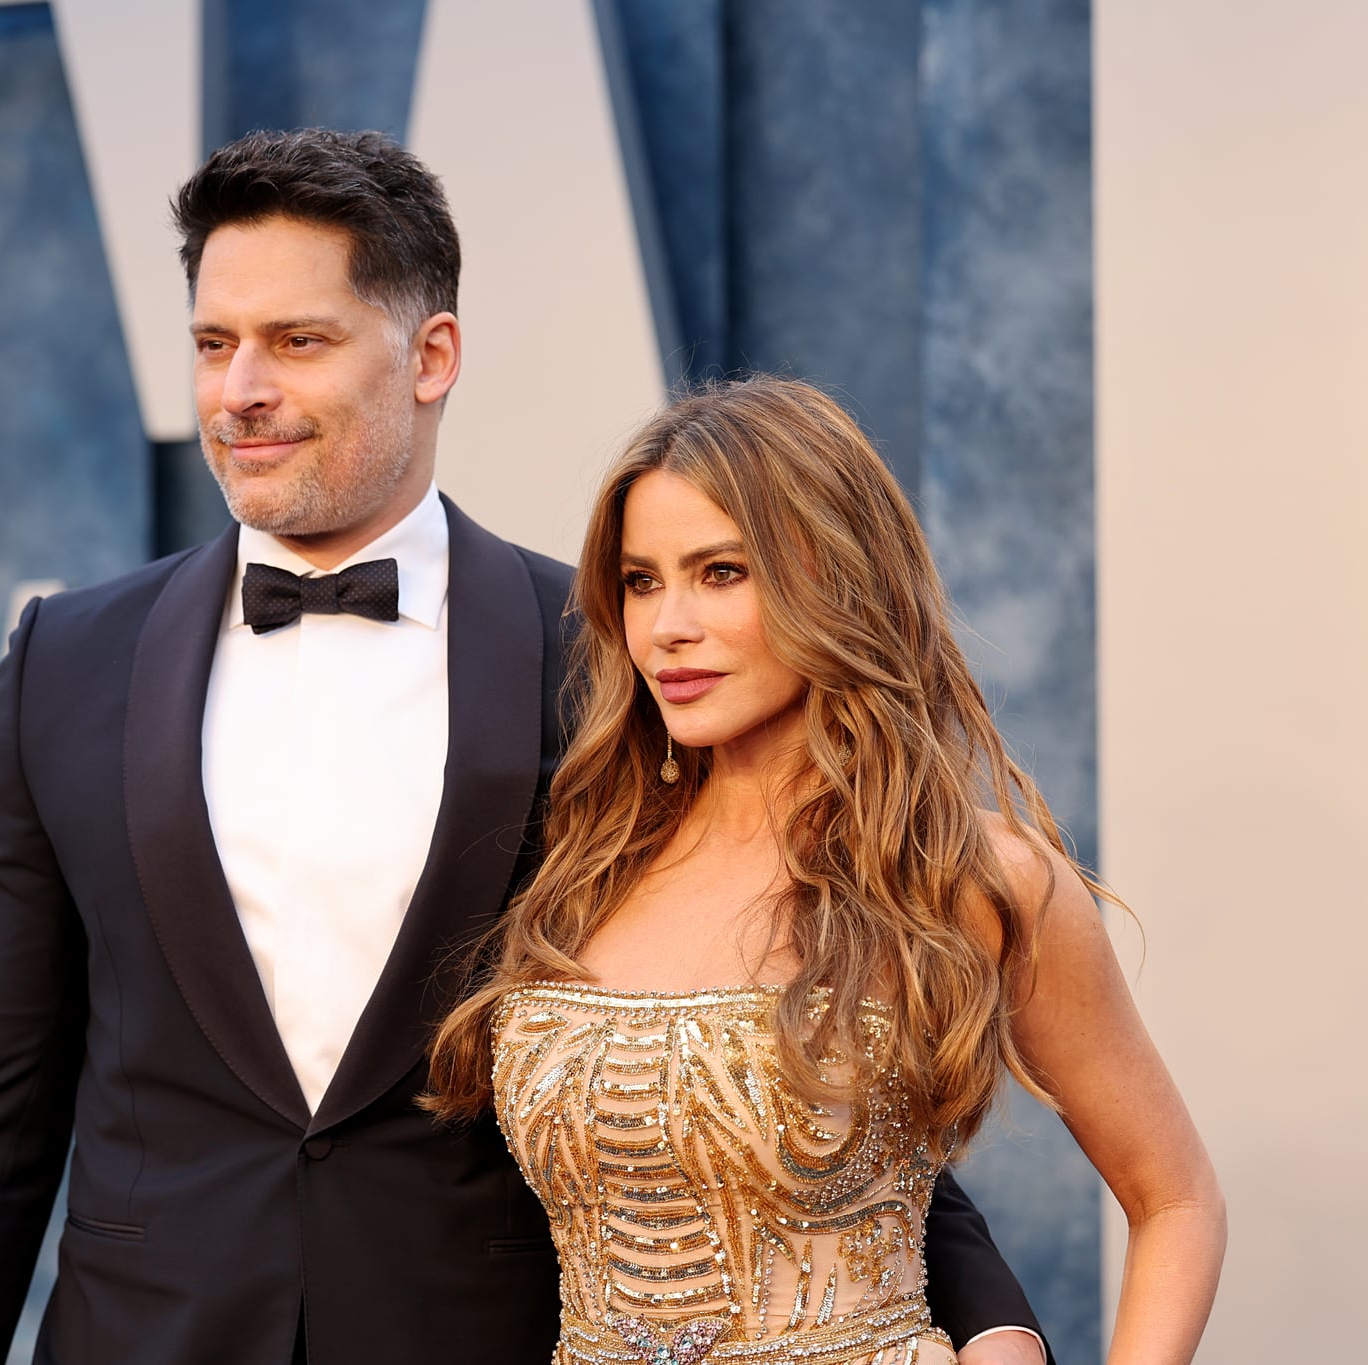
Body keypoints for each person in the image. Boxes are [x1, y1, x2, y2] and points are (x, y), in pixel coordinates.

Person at [0, 130, 1054, 1365]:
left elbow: (776, 1034)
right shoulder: (64, 661)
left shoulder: (611, 658)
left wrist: (988, 1318)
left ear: (431, 355)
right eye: (214, 344)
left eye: (297, 341)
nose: (240, 391)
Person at [429, 376, 1227, 1364]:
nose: (666, 626)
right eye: (640, 582)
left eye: (719, 573)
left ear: (835, 579)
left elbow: (1175, 1199)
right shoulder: (586, 858)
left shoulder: (970, 876)